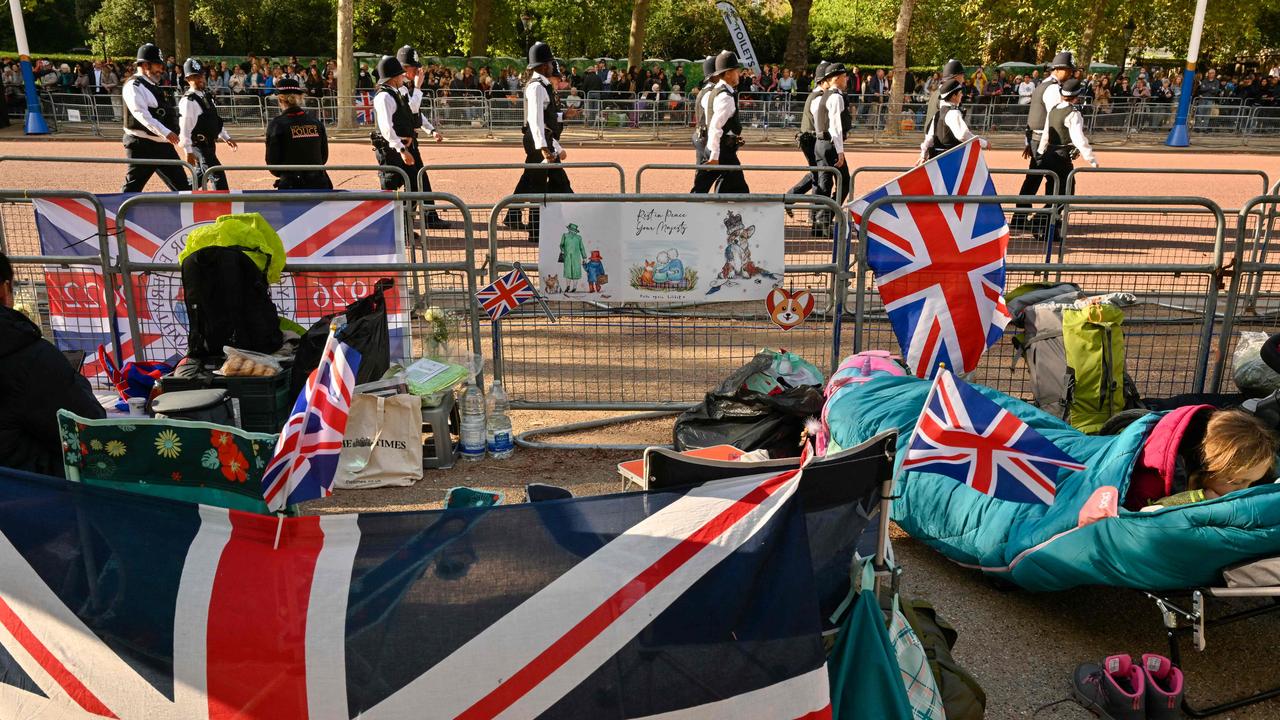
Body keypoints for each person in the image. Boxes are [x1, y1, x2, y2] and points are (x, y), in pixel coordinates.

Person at [0, 252, 105, 476]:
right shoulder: (28, 357)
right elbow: (89, 432)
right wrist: (72, 380)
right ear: (4, 289)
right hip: (32, 497)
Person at [503, 41, 572, 236]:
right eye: (550, 63)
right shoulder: (536, 87)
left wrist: (564, 116)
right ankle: (537, 229)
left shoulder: (542, 86)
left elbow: (545, 116)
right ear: (543, 66)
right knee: (541, 183)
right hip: (538, 139)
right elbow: (535, 119)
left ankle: (517, 218)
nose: (552, 66)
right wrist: (543, 147)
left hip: (541, 138)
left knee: (532, 180)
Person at [1144, 410, 1277, 508]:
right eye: (1236, 482)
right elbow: (1148, 513)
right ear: (1205, 467)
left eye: (1251, 483)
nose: (1243, 490)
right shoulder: (1155, 478)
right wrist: (1198, 498)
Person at [1013, 51, 1074, 229]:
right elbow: (1055, 118)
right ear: (1059, 69)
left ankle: (1021, 217)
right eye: (1068, 70)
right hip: (1048, 142)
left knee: (1033, 179)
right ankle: (1045, 218)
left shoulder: (1041, 85)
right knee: (1062, 181)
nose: (1071, 73)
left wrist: (1028, 141)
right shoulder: (1054, 89)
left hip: (1036, 138)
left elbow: (1033, 116)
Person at [121, 43, 191, 193]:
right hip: (141, 146)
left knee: (183, 187)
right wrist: (166, 132)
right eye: (158, 65)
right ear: (146, 64)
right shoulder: (134, 85)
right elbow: (141, 114)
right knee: (132, 189)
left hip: (162, 145)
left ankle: (186, 215)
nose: (161, 70)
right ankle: (119, 215)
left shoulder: (152, 84)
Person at [394, 45, 449, 229]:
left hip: (410, 140)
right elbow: (412, 109)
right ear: (403, 67)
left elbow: (416, 114)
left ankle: (428, 216)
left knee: (420, 178)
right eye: (413, 67)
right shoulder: (400, 88)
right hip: (400, 143)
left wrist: (431, 130)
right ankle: (403, 223)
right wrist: (418, 87)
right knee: (411, 182)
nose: (417, 70)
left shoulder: (403, 87)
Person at [178, 58, 237, 191]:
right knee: (217, 174)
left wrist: (225, 137)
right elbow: (185, 128)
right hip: (199, 145)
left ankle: (183, 192)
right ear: (188, 79)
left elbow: (214, 119)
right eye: (195, 77)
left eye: (201, 76)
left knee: (201, 174)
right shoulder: (188, 101)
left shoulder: (206, 95)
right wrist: (187, 150)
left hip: (209, 143)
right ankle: (223, 204)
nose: (200, 79)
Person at [694, 50, 749, 194]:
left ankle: (693, 209)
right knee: (740, 189)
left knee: (702, 186)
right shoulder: (725, 96)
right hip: (722, 150)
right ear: (728, 73)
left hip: (718, 147)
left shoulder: (716, 90)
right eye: (737, 71)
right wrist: (714, 155)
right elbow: (715, 126)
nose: (739, 74)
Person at [265, 77, 331, 190]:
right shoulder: (316, 122)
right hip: (319, 183)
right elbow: (323, 157)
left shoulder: (277, 124)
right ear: (300, 98)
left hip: (291, 185)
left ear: (280, 99)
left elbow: (272, 162)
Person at [919, 78, 988, 162]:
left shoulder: (937, 114)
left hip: (937, 159)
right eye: (960, 93)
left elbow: (929, 139)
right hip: (952, 159)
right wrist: (984, 143)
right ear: (954, 96)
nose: (962, 95)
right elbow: (963, 135)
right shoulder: (953, 112)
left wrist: (923, 156)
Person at [787, 60, 828, 197]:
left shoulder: (816, 94)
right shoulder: (818, 96)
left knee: (816, 174)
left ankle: (791, 197)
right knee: (818, 176)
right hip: (811, 139)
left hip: (808, 137)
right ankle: (812, 212)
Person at [814, 63, 851, 213]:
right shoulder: (836, 97)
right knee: (844, 182)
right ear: (836, 78)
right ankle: (827, 215)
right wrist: (840, 151)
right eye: (844, 77)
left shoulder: (824, 95)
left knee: (825, 184)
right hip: (830, 144)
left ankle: (820, 222)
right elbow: (835, 125)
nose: (846, 79)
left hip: (821, 143)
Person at [689, 56, 719, 189]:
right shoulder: (710, 93)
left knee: (703, 171)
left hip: (702, 135)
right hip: (706, 137)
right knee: (707, 172)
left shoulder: (705, 90)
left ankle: (698, 199)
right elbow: (711, 120)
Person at [924, 59, 965, 138]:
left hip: (932, 137)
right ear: (956, 78)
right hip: (939, 140)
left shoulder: (938, 92)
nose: (963, 80)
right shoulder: (946, 95)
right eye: (962, 76)